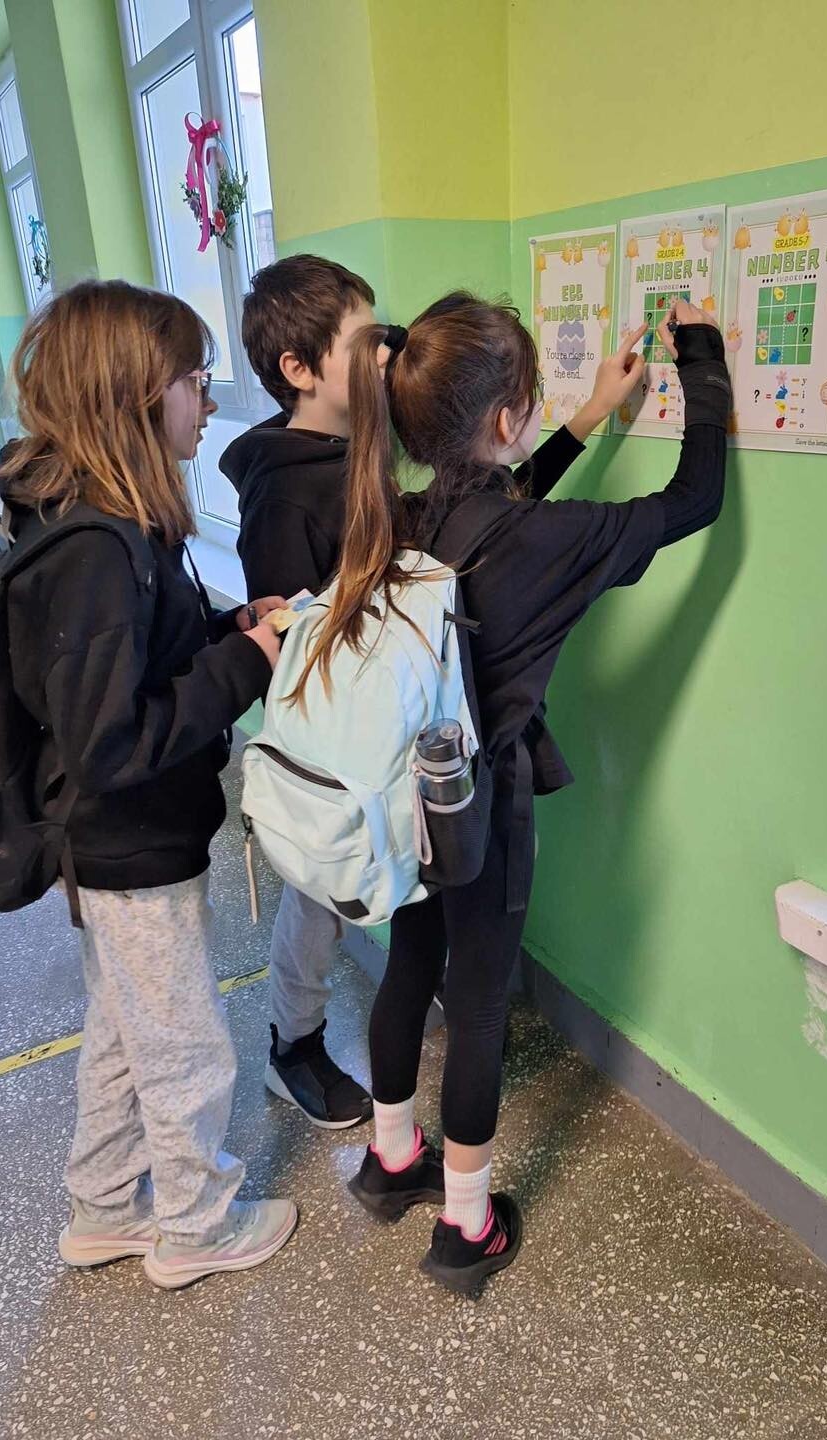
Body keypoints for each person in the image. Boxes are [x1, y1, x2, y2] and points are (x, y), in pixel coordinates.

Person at [303, 292, 730, 1294]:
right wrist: (702, 359)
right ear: (506, 419)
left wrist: (587, 418)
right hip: (480, 814)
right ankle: (466, 1226)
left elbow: (497, 511)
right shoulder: (550, 542)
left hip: (399, 799)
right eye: (532, 403)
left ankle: (393, 1160)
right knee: (482, 1005)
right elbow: (695, 500)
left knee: (410, 963)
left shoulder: (397, 515)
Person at [221, 253, 647, 1128]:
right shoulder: (287, 495)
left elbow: (492, 514)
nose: (387, 353)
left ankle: (393, 1090)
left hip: (397, 743)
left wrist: (586, 418)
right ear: (298, 370)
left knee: (394, 918)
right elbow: (296, 647)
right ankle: (293, 1045)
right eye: (367, 341)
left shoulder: (365, 456)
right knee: (318, 899)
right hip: (342, 757)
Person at [0, 279, 297, 1290]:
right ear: (136, 395)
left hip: (118, 840)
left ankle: (103, 1207)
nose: (207, 402)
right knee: (184, 1046)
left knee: (128, 1030)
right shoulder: (96, 548)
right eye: (195, 381)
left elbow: (134, 665)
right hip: (129, 841)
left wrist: (226, 630)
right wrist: (246, 663)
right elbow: (111, 740)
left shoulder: (105, 525)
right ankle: (197, 1227)